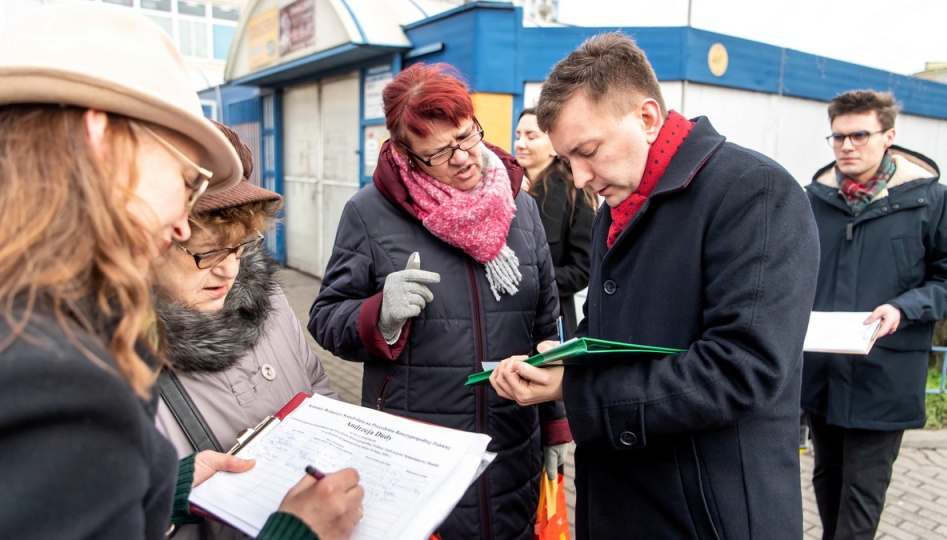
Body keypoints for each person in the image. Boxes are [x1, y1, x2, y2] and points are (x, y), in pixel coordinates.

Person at [0, 4, 362, 539]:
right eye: (188, 178)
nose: (178, 223)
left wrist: (163, 488)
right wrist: (298, 533)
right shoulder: (58, 373)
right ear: (104, 144)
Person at [489, 31, 820, 539]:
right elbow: (632, 344)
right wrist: (571, 358)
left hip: (708, 513)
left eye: (588, 150)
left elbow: (743, 368)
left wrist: (578, 392)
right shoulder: (619, 204)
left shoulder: (754, 191)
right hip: (626, 503)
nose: (578, 178)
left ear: (646, 118)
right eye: (566, 160)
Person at [307, 62, 571, 539]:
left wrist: (555, 425)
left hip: (513, 445)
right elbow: (325, 317)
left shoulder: (520, 206)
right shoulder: (368, 213)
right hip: (417, 452)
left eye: (468, 137)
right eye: (439, 153)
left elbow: (546, 326)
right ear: (405, 154)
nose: (465, 158)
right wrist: (379, 314)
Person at [152, 121, 342, 539]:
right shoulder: (103, 355)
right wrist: (163, 496)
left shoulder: (267, 297)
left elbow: (316, 386)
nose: (229, 269)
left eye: (241, 245)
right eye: (207, 252)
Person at [802, 89, 947, 539]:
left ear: (888, 136)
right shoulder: (812, 201)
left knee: (861, 496)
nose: (847, 146)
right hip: (822, 377)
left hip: (884, 376)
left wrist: (903, 308)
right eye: (837, 137)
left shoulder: (934, 202)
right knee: (826, 482)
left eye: (859, 135)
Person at [515, 107, 597, 338]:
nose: (520, 143)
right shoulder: (502, 187)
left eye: (531, 137)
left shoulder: (576, 191)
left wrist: (533, 281)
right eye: (518, 135)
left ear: (553, 145)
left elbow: (583, 269)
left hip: (552, 321)